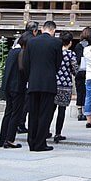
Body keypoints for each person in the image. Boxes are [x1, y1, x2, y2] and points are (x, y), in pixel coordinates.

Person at [23, 20, 62, 151]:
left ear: (42, 29)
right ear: (53, 31)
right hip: (48, 82)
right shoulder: (56, 42)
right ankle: (40, 143)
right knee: (44, 114)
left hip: (33, 81)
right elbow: (58, 63)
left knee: (33, 113)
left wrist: (31, 76)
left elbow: (26, 63)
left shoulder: (31, 42)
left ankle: (31, 141)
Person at [0, 32, 30, 148]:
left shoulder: (12, 52)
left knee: (8, 112)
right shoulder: (21, 53)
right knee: (15, 113)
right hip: (17, 86)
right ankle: (10, 139)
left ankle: (2, 139)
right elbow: (23, 70)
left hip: (8, 85)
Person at [53, 31, 78, 143]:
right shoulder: (70, 54)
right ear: (70, 42)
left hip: (53, 83)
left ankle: (45, 131)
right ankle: (58, 133)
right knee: (61, 110)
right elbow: (75, 70)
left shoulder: (54, 52)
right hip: (65, 84)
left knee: (50, 109)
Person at [74, 27, 91, 121]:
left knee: (79, 90)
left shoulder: (78, 46)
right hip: (89, 70)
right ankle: (86, 111)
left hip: (79, 71)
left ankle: (79, 111)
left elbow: (77, 60)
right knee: (87, 91)